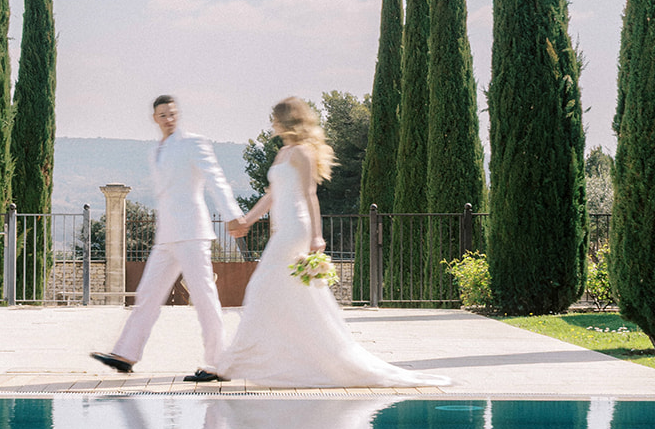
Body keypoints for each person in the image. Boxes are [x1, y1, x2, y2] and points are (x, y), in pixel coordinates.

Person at [193, 97, 451, 389]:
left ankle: (232, 364)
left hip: (295, 230)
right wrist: (247, 220)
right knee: (288, 295)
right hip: (283, 230)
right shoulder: (283, 153)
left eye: (275, 119)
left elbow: (310, 194)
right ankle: (254, 361)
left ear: (287, 121)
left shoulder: (301, 153)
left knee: (261, 289)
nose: (272, 124)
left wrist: (317, 235)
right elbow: (271, 195)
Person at [90, 95, 243, 376]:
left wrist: (232, 214)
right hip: (167, 236)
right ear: (155, 118)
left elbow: (215, 177)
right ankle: (126, 354)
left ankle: (219, 364)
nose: (169, 119)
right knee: (147, 294)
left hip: (193, 233)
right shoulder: (155, 152)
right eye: (163, 115)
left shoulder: (193, 143)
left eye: (173, 114)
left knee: (204, 297)